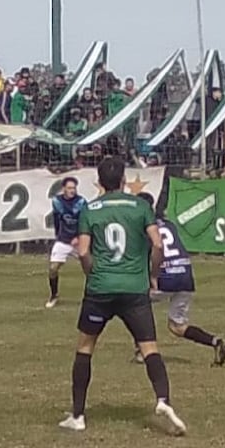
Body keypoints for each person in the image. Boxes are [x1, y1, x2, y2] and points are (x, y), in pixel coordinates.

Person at [58, 158, 186, 434]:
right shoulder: (141, 206)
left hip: (101, 288)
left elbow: (82, 251)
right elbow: (157, 243)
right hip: (134, 289)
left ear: (100, 182)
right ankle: (163, 400)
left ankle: (78, 416)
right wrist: (152, 275)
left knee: (85, 347)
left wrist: (91, 273)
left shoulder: (90, 209)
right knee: (149, 347)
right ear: (124, 180)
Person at [132, 192, 225, 366]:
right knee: (176, 326)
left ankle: (143, 351)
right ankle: (216, 342)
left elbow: (150, 251)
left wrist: (151, 276)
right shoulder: (169, 224)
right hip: (185, 275)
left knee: (134, 304)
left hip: (166, 275)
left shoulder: (143, 228)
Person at [46, 177, 88, 309]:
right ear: (63, 188)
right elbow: (57, 220)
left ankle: (93, 296)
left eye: (74, 188)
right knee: (53, 268)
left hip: (79, 240)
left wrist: (79, 236)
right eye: (69, 188)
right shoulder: (57, 201)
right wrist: (58, 235)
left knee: (90, 269)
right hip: (63, 239)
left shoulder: (81, 202)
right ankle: (54, 295)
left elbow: (85, 221)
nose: (72, 190)